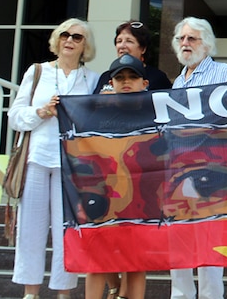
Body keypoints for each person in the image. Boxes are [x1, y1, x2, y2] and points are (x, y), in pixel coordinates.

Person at [8, 18, 100, 299]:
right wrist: (42, 112)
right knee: (30, 230)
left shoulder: (92, 79)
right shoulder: (37, 72)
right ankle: (30, 293)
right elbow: (15, 117)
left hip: (73, 165)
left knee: (67, 233)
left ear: (85, 45)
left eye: (77, 37)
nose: (69, 40)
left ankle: (63, 293)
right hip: (37, 158)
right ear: (57, 39)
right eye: (64, 35)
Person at [169, 17, 227, 299]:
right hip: (179, 170)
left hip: (212, 170)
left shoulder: (226, 73)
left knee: (209, 241)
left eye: (192, 39)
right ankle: (181, 295)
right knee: (179, 239)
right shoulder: (177, 80)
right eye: (181, 39)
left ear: (206, 44)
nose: (185, 44)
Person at [84, 54, 150, 299]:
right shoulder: (94, 113)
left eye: (133, 77)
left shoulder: (158, 112)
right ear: (110, 83)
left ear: (145, 83)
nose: (126, 82)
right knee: (97, 261)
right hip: (104, 199)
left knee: (137, 263)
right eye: (120, 77)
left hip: (142, 200)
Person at [93, 20, 171, 93]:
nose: (122, 46)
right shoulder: (105, 76)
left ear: (143, 49)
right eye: (119, 41)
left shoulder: (158, 78)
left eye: (129, 41)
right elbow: (92, 105)